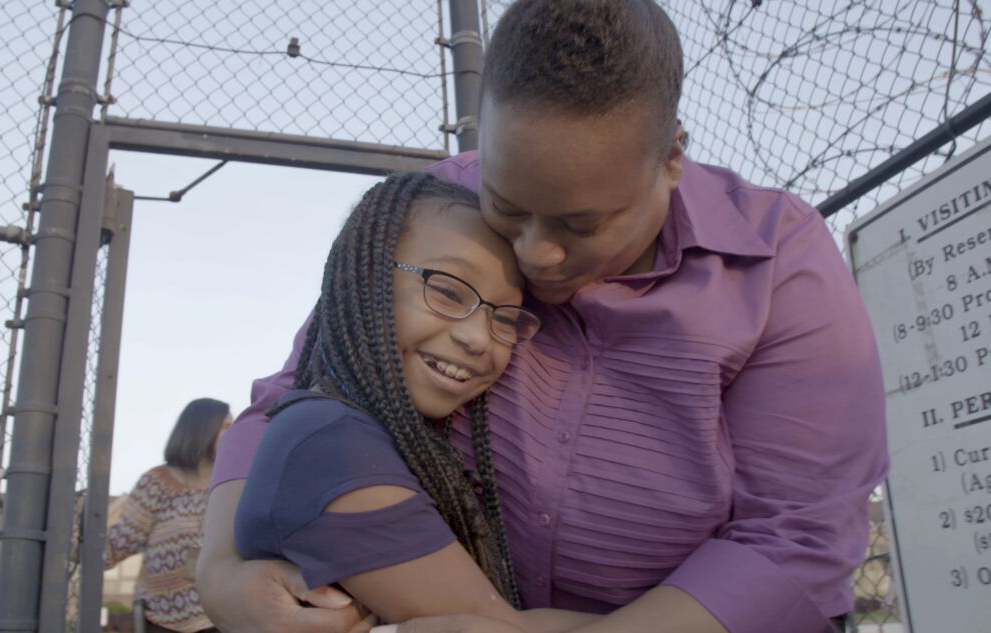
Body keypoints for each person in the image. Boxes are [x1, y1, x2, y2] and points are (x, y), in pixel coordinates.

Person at [197, 2, 887, 633]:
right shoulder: (438, 205)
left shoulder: (775, 260)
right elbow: (305, 388)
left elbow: (796, 535)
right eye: (507, 204)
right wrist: (222, 576)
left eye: (581, 223)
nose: (537, 252)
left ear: (672, 158)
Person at [234, 172, 603, 631]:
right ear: (364, 278)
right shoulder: (327, 442)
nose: (477, 338)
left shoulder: (387, 440)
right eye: (448, 291)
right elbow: (492, 625)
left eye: (505, 318)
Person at [106, 398, 233, 633]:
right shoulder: (157, 483)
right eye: (225, 426)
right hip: (162, 620)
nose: (233, 433)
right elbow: (119, 543)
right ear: (201, 429)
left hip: (223, 617)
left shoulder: (232, 486)